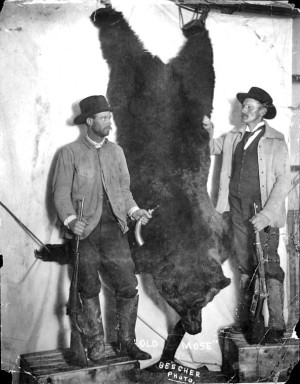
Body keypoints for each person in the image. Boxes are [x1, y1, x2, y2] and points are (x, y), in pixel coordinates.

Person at [52, 95, 152, 362]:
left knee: (128, 285)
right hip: (84, 233)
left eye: (110, 117)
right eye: (105, 118)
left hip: (114, 230)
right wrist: (71, 220)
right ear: (89, 121)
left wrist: (134, 211)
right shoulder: (69, 153)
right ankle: (95, 344)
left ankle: (126, 343)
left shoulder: (116, 152)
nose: (111, 122)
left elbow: (124, 190)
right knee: (87, 288)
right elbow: (61, 195)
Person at [203, 87, 291, 344]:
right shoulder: (233, 137)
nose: (244, 111)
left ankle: (275, 326)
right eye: (244, 106)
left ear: (263, 111)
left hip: (262, 213)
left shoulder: (276, 140)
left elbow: (284, 180)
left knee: (268, 265)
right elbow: (210, 148)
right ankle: (251, 323)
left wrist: (266, 214)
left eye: (250, 107)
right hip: (237, 212)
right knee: (245, 265)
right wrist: (209, 130)